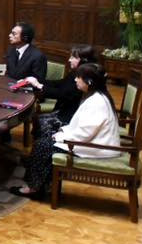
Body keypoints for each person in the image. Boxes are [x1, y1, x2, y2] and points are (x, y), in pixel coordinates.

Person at [12, 63, 121, 199]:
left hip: (95, 147)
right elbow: (83, 128)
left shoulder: (97, 102)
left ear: (89, 82)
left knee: (42, 146)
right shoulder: (94, 95)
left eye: (78, 77)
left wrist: (61, 137)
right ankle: (40, 185)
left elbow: (86, 133)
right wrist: (63, 132)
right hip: (88, 141)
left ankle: (34, 189)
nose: (75, 80)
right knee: (45, 141)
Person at [26, 45, 99, 124]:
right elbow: (60, 83)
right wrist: (38, 81)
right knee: (37, 120)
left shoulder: (83, 77)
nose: (69, 60)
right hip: (64, 111)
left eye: (73, 57)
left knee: (39, 121)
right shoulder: (76, 73)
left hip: (70, 116)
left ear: (83, 60)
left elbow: (62, 94)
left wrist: (38, 85)